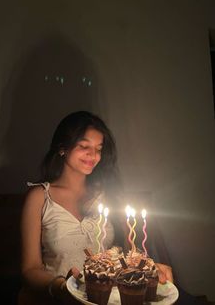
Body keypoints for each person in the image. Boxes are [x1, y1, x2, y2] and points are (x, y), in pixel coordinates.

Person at [19, 111, 173, 305]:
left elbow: (130, 253)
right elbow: (30, 269)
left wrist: (149, 268)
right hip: (56, 298)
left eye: (98, 149)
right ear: (62, 148)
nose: (93, 155)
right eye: (84, 146)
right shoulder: (39, 197)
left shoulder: (109, 194)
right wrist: (62, 288)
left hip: (105, 298)